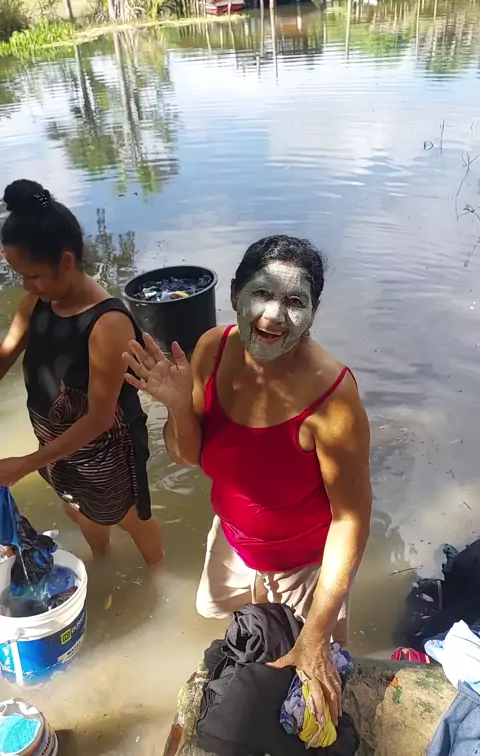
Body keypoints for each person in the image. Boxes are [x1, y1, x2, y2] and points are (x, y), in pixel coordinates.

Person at [124, 234, 371, 725]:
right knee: (246, 640)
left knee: (306, 694)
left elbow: (352, 520)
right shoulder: (212, 350)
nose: (274, 316)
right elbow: (187, 455)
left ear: (313, 314)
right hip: (234, 542)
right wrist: (177, 406)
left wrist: (316, 634)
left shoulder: (333, 400)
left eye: (295, 302)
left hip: (306, 567)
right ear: (235, 292)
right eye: (261, 293)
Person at [0, 180, 163, 566]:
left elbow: (99, 418)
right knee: (76, 507)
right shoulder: (38, 300)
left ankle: (157, 570)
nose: (26, 285)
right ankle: (102, 556)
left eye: (33, 275)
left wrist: (25, 464)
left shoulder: (108, 324)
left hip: (106, 450)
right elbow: (6, 353)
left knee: (130, 517)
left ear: (66, 262)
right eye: (19, 275)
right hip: (55, 445)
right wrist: (37, 459)